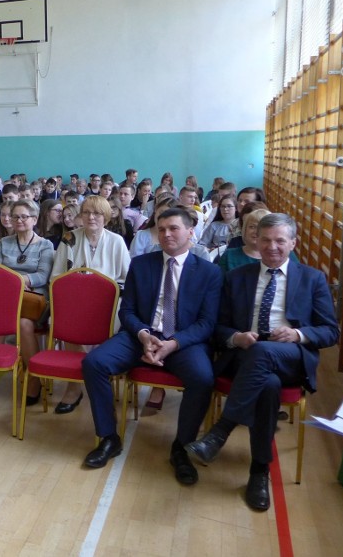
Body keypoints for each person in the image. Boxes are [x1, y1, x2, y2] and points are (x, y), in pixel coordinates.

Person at [186, 213, 339, 510]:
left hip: (291, 357)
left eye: (280, 240)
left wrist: (298, 334)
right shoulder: (237, 278)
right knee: (266, 383)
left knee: (264, 353)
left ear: (292, 243)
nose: (272, 247)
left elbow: (331, 331)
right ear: (256, 240)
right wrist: (236, 338)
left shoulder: (313, 279)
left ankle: (221, 431)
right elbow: (218, 327)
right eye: (266, 240)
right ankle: (259, 472)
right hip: (246, 355)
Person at [81, 208, 223, 486]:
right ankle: (109, 438)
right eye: (161, 229)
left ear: (190, 232)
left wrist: (173, 343)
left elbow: (207, 323)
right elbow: (128, 310)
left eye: (173, 228)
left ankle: (181, 448)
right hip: (141, 336)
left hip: (183, 341)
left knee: (203, 378)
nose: (166, 234)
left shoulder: (209, 272)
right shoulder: (142, 264)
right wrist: (144, 335)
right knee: (94, 363)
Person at [49, 196, 131, 413]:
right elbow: (56, 277)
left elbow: (126, 278)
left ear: (106, 217)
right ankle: (74, 386)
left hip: (107, 304)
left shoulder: (116, 241)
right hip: (74, 302)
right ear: (80, 216)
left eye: (97, 213)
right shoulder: (69, 238)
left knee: (108, 322)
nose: (91, 217)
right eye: (86, 212)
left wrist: (100, 288)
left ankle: (96, 378)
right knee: (69, 321)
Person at [0, 200, 54, 402]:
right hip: (8, 296)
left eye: (23, 216)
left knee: (23, 322)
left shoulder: (45, 245)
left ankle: (34, 378)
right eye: (15, 216)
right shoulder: (3, 243)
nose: (18, 220)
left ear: (34, 219)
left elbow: (43, 276)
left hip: (34, 298)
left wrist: (19, 280)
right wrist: (13, 283)